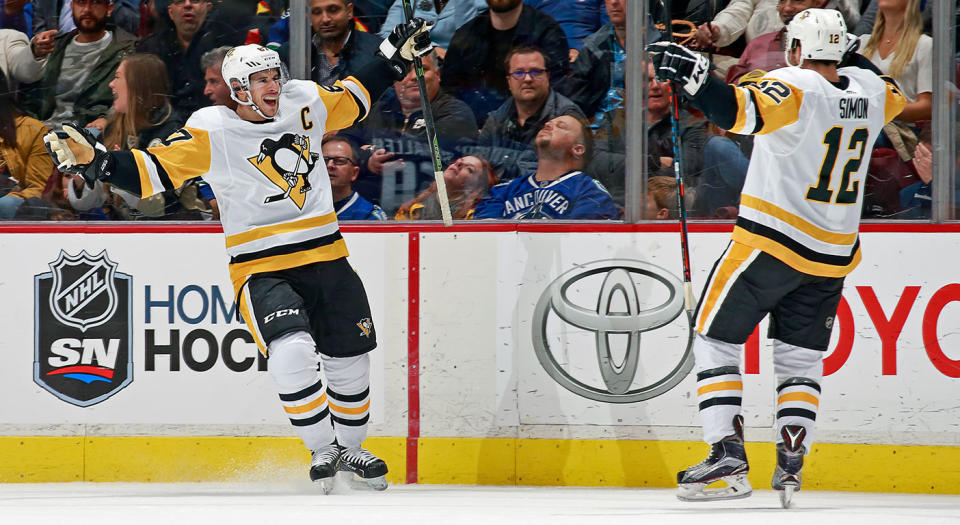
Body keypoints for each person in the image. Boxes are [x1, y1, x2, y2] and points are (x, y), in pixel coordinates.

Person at [44, 22, 433, 490]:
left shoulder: (303, 101)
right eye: (262, 80)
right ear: (238, 91)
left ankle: (352, 450)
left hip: (327, 252)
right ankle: (323, 450)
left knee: (350, 359)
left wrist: (393, 53)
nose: (274, 85)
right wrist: (99, 163)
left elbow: (353, 96)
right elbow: (152, 170)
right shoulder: (212, 131)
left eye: (276, 74)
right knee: (291, 351)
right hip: (261, 265)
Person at [648, 8, 905, 504]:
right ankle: (791, 461)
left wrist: (695, 76)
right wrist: (838, 50)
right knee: (801, 358)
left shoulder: (794, 85)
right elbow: (875, 79)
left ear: (794, 51)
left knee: (712, 337)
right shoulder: (873, 93)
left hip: (771, 243)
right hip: (832, 254)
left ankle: (725, 450)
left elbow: (735, 113)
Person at [65, 53, 204, 221]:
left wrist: (123, 177)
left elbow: (164, 208)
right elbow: (92, 201)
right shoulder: (114, 127)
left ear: (138, 86)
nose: (111, 84)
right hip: (127, 233)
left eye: (117, 78)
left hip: (179, 235)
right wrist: (82, 178)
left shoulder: (173, 135)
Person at [346, 50, 477, 212]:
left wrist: (370, 149)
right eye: (407, 71)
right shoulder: (376, 110)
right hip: (365, 211)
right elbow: (342, 145)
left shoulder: (456, 113)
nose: (415, 76)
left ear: (438, 74)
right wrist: (366, 159)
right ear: (395, 80)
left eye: (423, 69)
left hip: (427, 212)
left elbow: (425, 150)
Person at [440, 0, 569, 123]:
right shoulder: (466, 35)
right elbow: (449, 91)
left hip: (529, 129)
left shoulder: (547, 34)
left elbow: (555, 96)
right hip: (471, 129)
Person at [19, 0, 136, 131]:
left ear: (109, 9)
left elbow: (132, 100)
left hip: (90, 133)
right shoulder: (52, 47)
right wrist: (35, 55)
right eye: (81, 2)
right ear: (72, 6)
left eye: (95, 3)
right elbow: (29, 98)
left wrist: (108, 119)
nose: (87, 9)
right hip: (43, 131)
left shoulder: (128, 50)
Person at [473, 114, 617, 219]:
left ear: (577, 149)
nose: (548, 125)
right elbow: (487, 242)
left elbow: (578, 245)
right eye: (548, 123)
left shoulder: (590, 192)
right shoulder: (502, 191)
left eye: (560, 126)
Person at [478, 45, 585, 182]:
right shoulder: (496, 119)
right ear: (509, 82)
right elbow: (480, 168)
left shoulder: (568, 118)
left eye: (535, 72)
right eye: (519, 73)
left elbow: (565, 175)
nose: (527, 79)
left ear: (547, 77)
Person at [136, 0, 241, 115]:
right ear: (170, 12)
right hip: (164, 122)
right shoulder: (151, 47)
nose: (187, 5)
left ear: (208, 7)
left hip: (216, 119)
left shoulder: (229, 40)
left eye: (195, 0)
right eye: (180, 1)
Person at [857, 0, 930, 123]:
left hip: (900, 129)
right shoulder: (861, 43)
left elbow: (927, 105)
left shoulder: (924, 45)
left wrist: (878, 111)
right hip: (864, 125)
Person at [0, 69, 55, 219]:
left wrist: (11, 193)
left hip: (14, 205)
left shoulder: (34, 131)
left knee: (6, 204)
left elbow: (37, 189)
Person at [394, 154, 496, 220]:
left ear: (476, 189)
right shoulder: (412, 208)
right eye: (459, 160)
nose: (458, 163)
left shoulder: (475, 218)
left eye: (469, 169)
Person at [378, 0, 487, 59]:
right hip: (412, 65)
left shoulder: (479, 3)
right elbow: (386, 35)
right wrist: (431, 48)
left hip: (453, 66)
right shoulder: (411, 1)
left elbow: (472, 41)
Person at [323, 135, 387, 221]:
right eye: (324, 160)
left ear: (354, 173)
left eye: (340, 161)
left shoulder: (370, 216)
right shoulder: (303, 209)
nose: (330, 165)